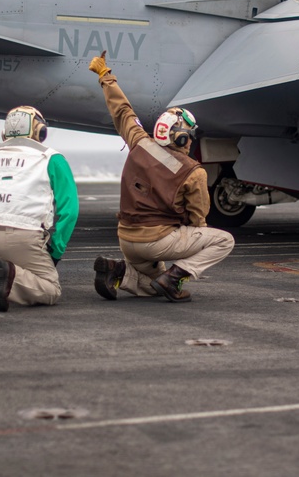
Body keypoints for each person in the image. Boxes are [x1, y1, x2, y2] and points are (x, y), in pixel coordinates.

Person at [88, 51, 234, 303]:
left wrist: (105, 75)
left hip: (126, 238)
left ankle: (119, 270)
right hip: (157, 241)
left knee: (153, 286)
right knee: (224, 240)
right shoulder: (193, 171)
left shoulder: (138, 141)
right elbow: (199, 218)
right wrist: (191, 240)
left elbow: (121, 110)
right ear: (181, 137)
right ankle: (177, 277)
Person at [0, 106, 79, 312]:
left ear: (5, 133)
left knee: (4, 256)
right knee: (51, 289)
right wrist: (56, 250)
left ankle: (5, 272)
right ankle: (10, 274)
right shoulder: (52, 158)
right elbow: (70, 210)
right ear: (40, 131)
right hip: (20, 235)